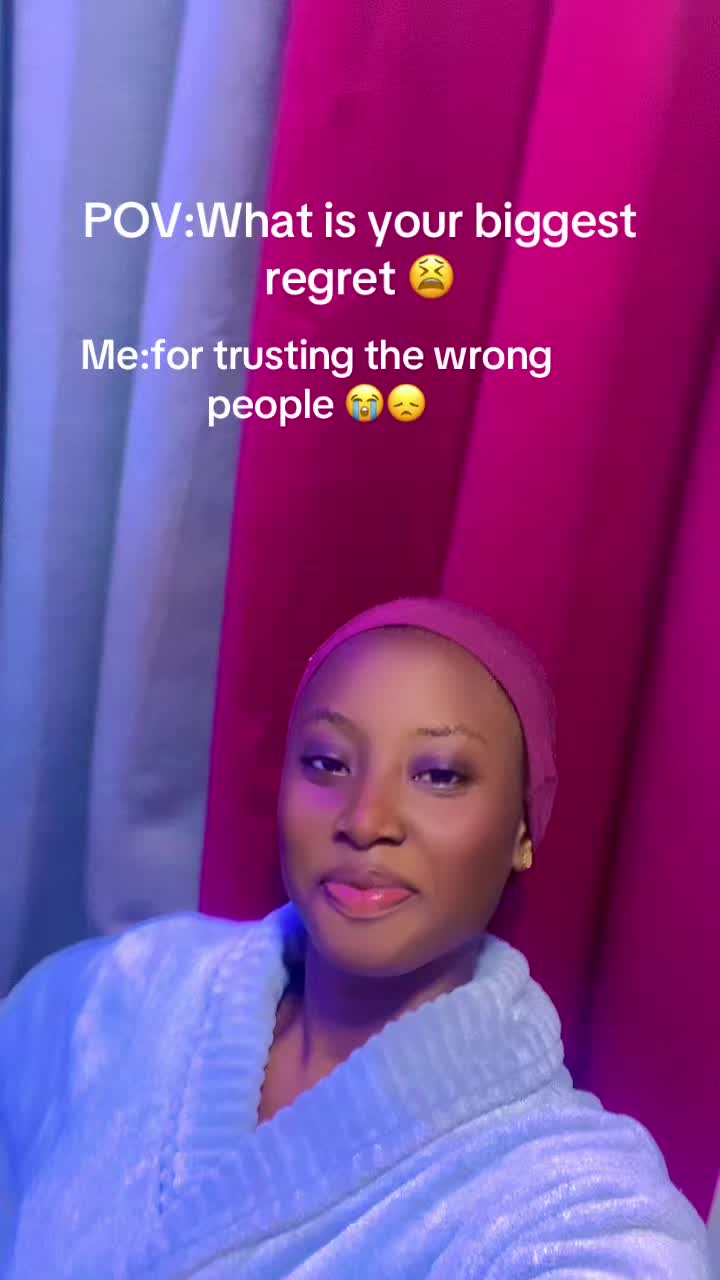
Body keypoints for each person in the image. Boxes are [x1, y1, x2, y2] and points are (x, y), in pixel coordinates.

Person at [0, 597, 712, 1278]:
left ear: (522, 829)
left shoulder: (571, 1201)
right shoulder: (121, 992)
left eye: (439, 775)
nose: (366, 820)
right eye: (328, 763)